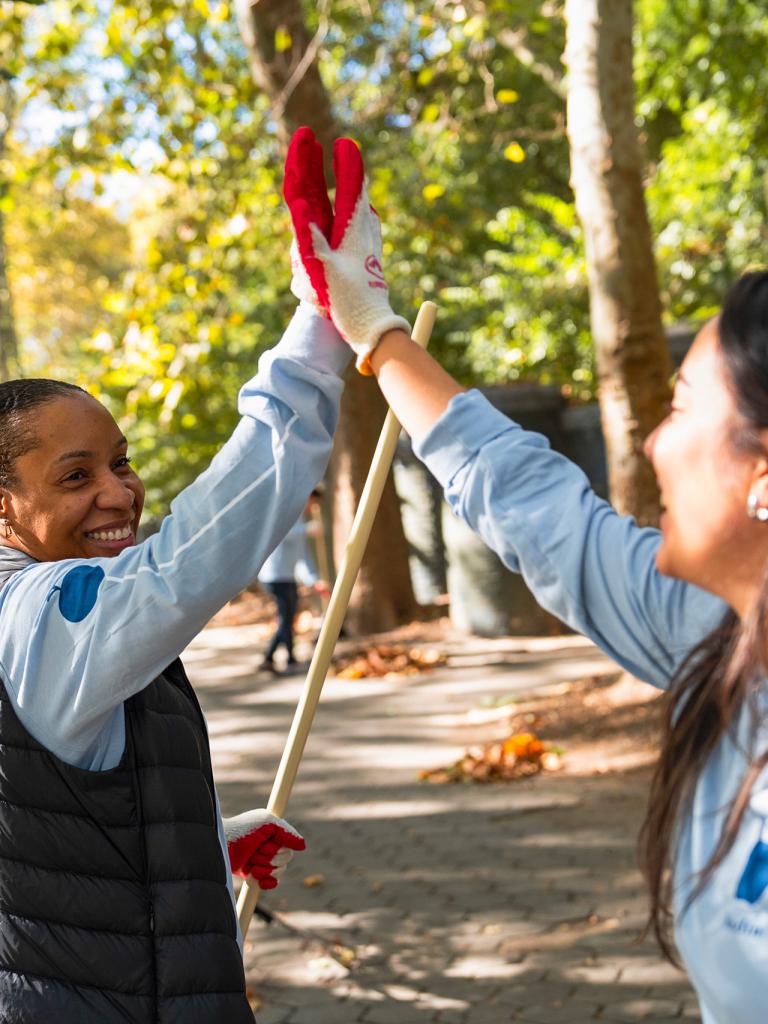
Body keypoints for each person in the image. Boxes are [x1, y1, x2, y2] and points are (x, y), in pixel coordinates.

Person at [284, 126, 768, 1024]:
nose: (654, 444)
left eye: (683, 409)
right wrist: (375, 330)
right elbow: (533, 505)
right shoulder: (718, 632)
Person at [0, 299, 353, 1021]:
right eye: (75, 477)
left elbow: (40, 826)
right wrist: (323, 322)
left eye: (120, 462)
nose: (118, 491)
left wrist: (197, 843)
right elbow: (188, 561)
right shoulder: (42, 612)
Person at [257, 490, 329, 673]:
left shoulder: (301, 521)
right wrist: (308, 529)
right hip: (274, 575)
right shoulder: (288, 514)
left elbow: (303, 556)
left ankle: (281, 659)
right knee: (286, 618)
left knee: (288, 618)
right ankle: (280, 658)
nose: (312, 507)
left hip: (288, 576)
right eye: (312, 502)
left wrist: (314, 580)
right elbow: (282, 532)